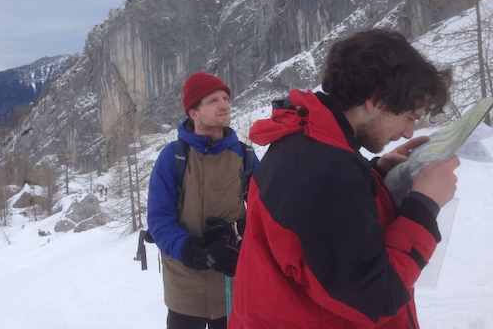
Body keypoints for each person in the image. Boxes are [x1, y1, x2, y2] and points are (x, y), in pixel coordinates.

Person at [229, 29, 460, 329]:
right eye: (409, 117)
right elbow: (376, 296)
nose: (408, 132)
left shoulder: (307, 142)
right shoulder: (325, 173)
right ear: (375, 99)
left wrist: (375, 174)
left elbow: (327, 228)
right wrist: (423, 207)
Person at [147, 72, 259, 329]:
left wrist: (240, 234)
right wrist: (199, 252)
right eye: (213, 100)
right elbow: (160, 221)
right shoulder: (173, 158)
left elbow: (265, 213)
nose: (224, 105)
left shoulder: (245, 157)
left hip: (233, 287)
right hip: (185, 291)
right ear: (193, 113)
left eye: (226, 98)